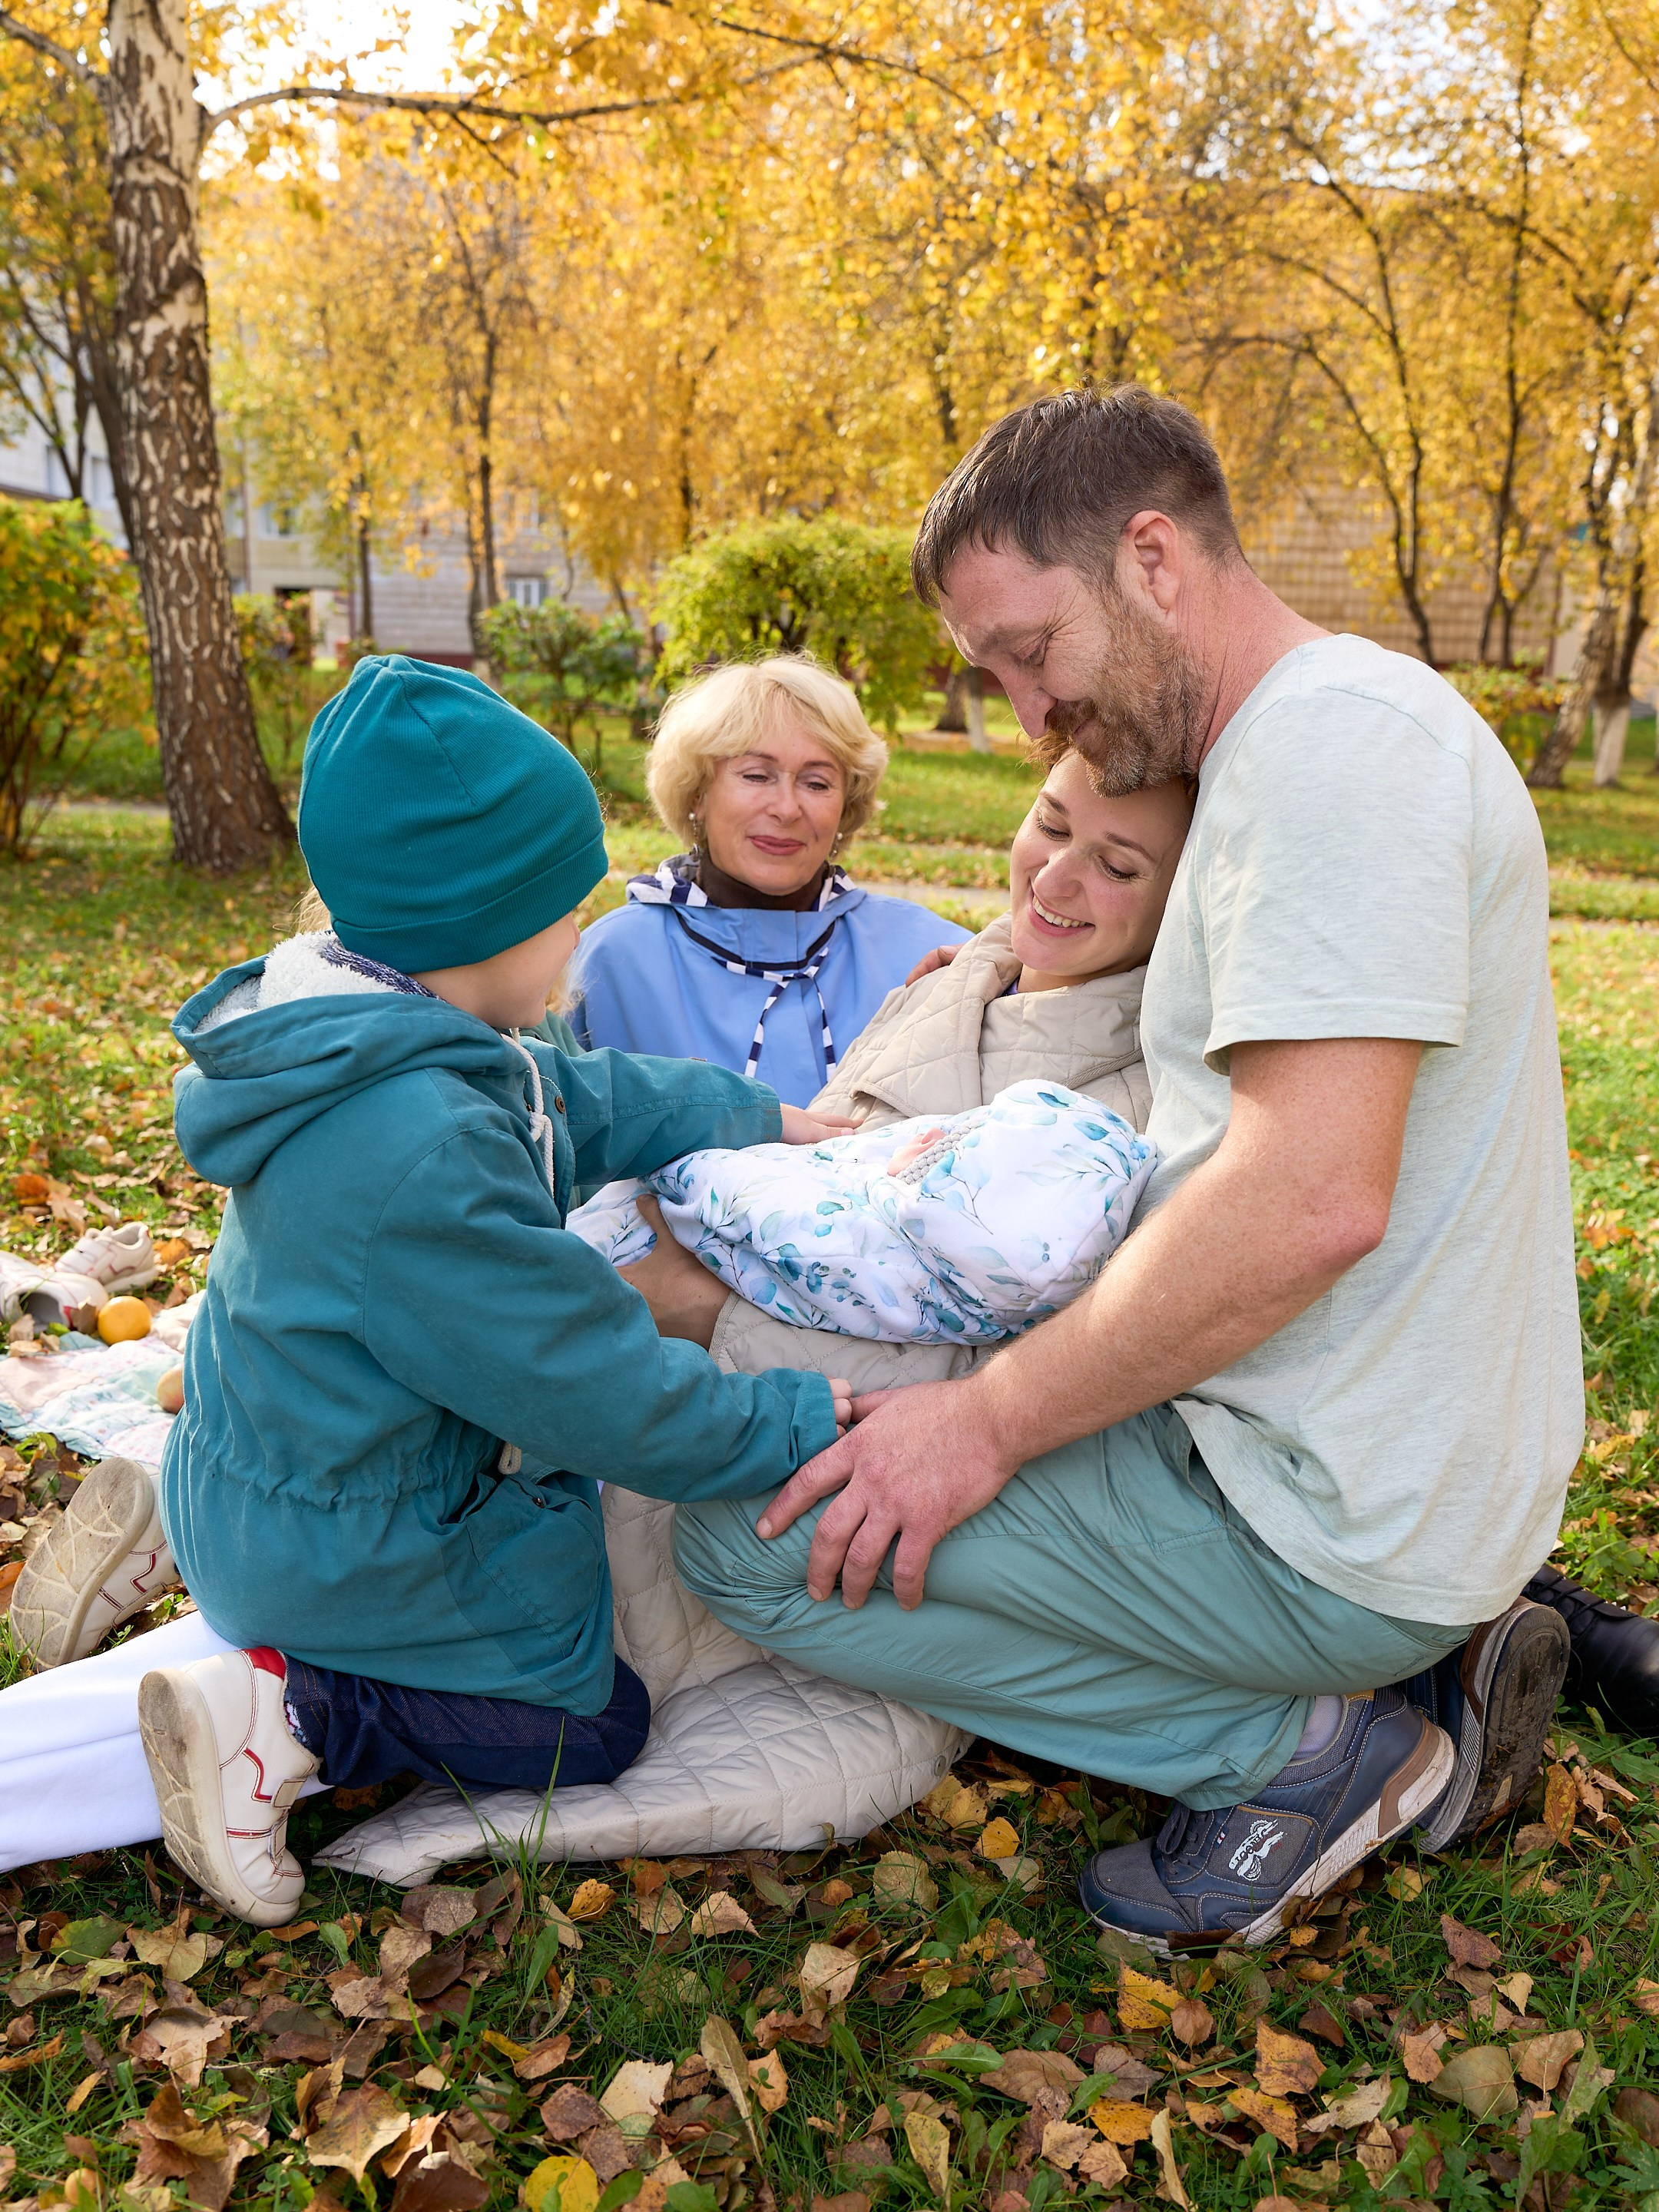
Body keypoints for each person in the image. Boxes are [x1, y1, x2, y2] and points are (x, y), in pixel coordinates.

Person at [666, 383, 1583, 1950]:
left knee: (745, 1540)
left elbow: (1310, 1200)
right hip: (1337, 1466)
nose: (1030, 717)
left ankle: (1302, 1754)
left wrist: (988, 1425)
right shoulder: (1310, 749)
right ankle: (1365, 1673)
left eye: (1033, 653)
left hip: (1323, 1512)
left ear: (1152, 559)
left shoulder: (1333, 757)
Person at [10, 654, 853, 1926]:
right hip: (355, 1540)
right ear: (487, 924)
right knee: (590, 1724)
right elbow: (592, 1391)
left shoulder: (382, 1033)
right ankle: (293, 1714)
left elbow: (579, 1099)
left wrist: (762, 1118)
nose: (582, 933)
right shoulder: (425, 1153)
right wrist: (791, 1422)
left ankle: (175, 1525)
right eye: (565, 906)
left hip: (265, 1467)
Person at [567, 656, 970, 1104]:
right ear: (697, 793)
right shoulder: (606, 964)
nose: (786, 808)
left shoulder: (933, 956)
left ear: (846, 805)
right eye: (756, 775)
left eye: (817, 783)